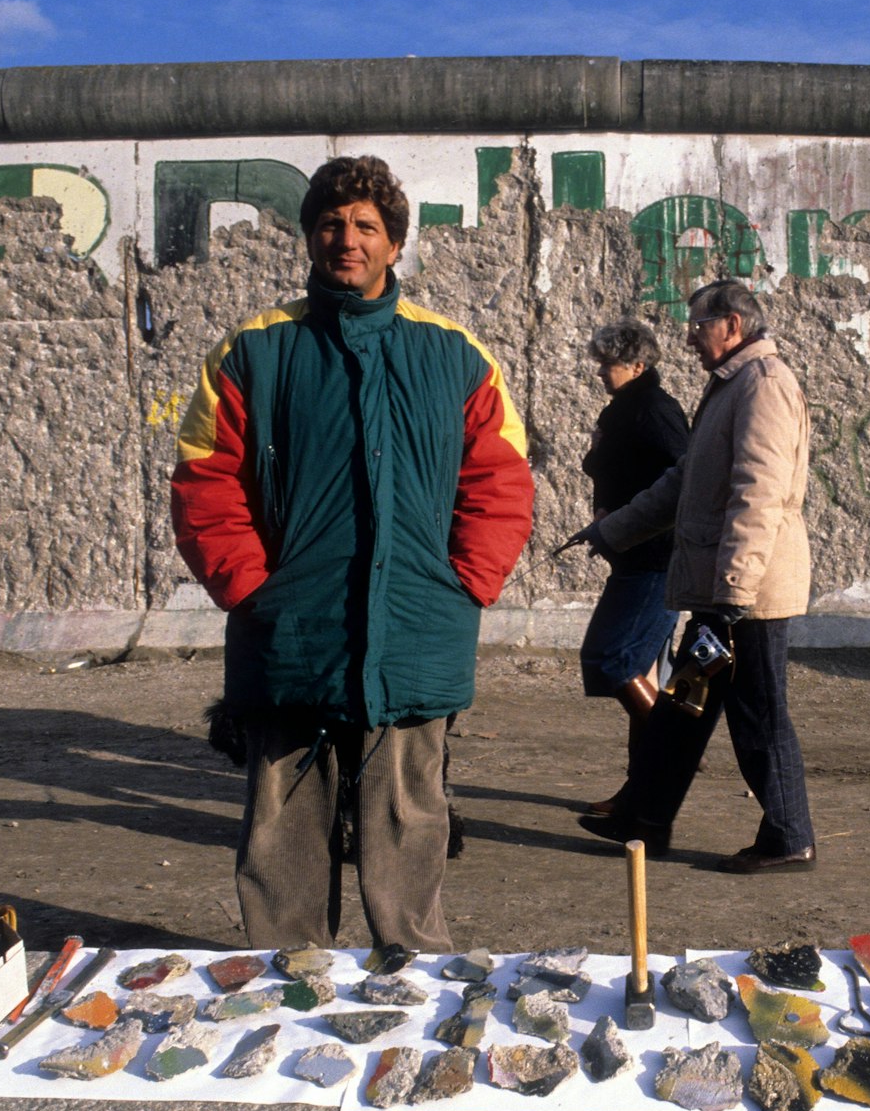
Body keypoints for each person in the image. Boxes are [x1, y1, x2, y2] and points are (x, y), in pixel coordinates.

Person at [170, 155, 533, 949]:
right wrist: (252, 588)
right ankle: (286, 979)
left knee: (409, 818)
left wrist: (462, 585)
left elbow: (500, 481)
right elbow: (206, 481)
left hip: (414, 628)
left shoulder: (455, 355)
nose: (348, 238)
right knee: (283, 826)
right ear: (308, 236)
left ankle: (417, 980)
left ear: (394, 243)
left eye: (366, 225)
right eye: (332, 223)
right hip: (289, 633)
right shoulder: (257, 351)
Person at [568, 279, 816, 873]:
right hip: (723, 590)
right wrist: (611, 531)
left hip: (747, 595)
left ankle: (789, 838)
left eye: (698, 324)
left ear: (732, 325)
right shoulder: (731, 387)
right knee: (684, 709)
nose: (687, 336)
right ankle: (646, 820)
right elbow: (683, 482)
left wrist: (732, 591)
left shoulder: (763, 386)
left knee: (758, 714)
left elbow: (758, 496)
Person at [575, 320, 690, 816]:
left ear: (638, 365)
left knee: (612, 659)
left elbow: (683, 477)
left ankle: (671, 754)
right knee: (638, 668)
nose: (601, 371)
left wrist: (625, 520)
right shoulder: (626, 407)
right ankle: (640, 793)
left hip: (654, 559)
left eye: (609, 363)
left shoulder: (654, 411)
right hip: (633, 556)